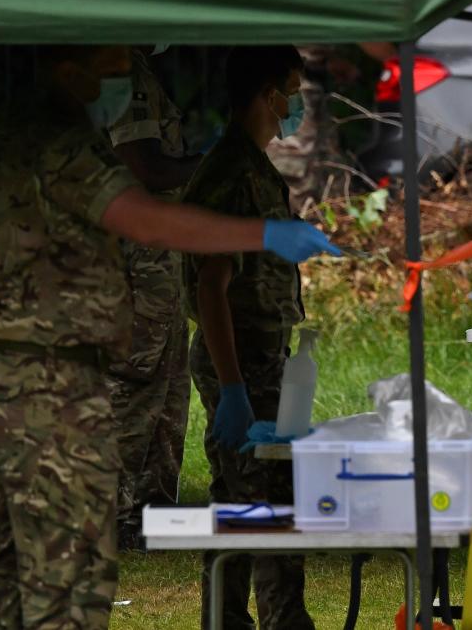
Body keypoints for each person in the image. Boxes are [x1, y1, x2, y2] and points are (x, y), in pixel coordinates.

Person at [0, 45, 340, 629]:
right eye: (107, 64)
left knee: (9, 566)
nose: (118, 79)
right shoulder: (56, 138)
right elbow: (144, 217)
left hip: (1, 370)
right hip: (47, 378)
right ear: (64, 63)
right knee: (72, 571)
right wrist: (262, 233)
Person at [182, 46, 317, 629]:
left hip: (258, 357)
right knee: (264, 503)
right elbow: (212, 287)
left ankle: (227, 619)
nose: (296, 104)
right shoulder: (236, 174)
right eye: (291, 89)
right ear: (268, 95)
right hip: (241, 359)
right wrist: (233, 387)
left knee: (238, 503)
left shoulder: (251, 168)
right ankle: (282, 622)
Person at [104, 46, 202, 549]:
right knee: (136, 380)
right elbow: (142, 165)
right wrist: (205, 167)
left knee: (169, 384)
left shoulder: (141, 70)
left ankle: (154, 513)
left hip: (161, 254)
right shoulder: (123, 71)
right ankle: (111, 515)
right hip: (140, 256)